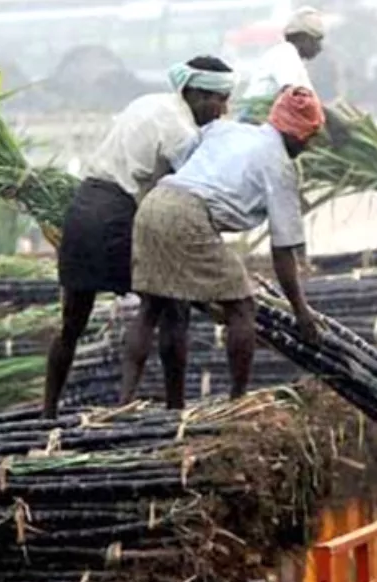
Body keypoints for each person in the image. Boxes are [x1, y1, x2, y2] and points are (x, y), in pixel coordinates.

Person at [42, 57, 237, 417]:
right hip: (118, 214)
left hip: (83, 208)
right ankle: (156, 406)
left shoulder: (147, 102)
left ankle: (48, 411)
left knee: (72, 320)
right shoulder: (183, 133)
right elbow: (186, 195)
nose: (222, 110)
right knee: (167, 306)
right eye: (217, 99)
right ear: (193, 92)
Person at [119, 86, 325, 406]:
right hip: (188, 214)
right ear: (298, 133)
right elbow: (283, 251)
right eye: (310, 137)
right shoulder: (281, 167)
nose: (309, 145)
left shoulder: (227, 129)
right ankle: (238, 401)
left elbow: (182, 156)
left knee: (153, 306)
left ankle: (124, 400)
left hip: (153, 204)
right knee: (241, 307)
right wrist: (301, 312)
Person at [238, 7, 324, 116]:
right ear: (303, 38)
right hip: (258, 117)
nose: (319, 47)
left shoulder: (293, 58)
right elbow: (291, 94)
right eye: (316, 40)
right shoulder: (286, 54)